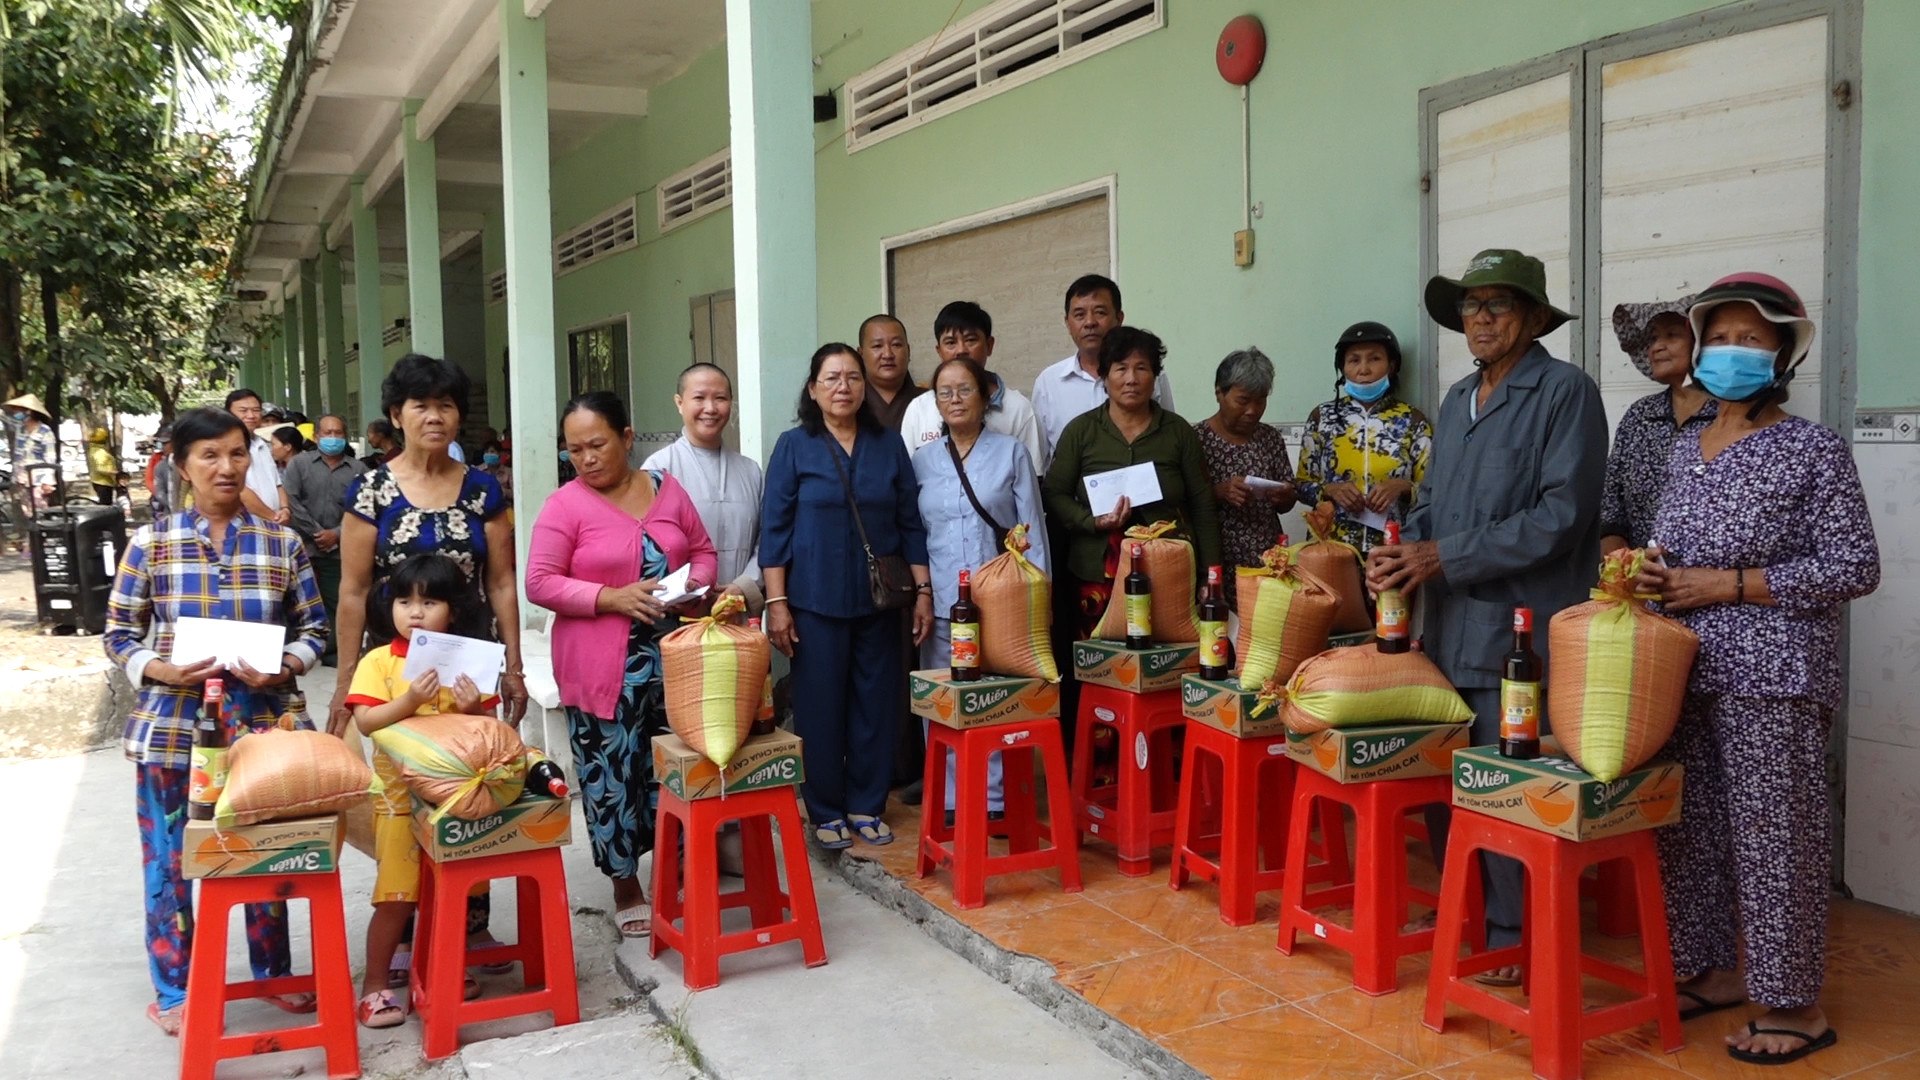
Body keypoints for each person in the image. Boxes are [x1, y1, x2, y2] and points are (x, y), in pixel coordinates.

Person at [1631, 273, 1877, 1066]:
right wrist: (1652, 572)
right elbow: (1676, 549)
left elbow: (1854, 565)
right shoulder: (1685, 445)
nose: (1732, 351)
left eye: (1753, 338)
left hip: (1773, 676)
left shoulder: (1812, 448)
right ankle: (1713, 970)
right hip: (1685, 669)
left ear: (1782, 356)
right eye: (1721, 337)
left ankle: (1794, 1004)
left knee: (1777, 839)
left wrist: (1730, 585)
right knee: (1691, 831)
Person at [1366, 248, 1608, 975]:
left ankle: (1513, 931)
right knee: (1448, 774)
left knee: (1504, 781)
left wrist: (1442, 556)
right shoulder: (1457, 398)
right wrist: (1400, 552)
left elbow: (1561, 517)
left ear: (1533, 318)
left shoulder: (1565, 391)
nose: (1480, 318)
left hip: (1515, 629)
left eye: (1497, 304)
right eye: (1471, 305)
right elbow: (1435, 500)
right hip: (1446, 625)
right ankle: (1464, 903)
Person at [101, 406, 328, 1036]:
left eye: (237, 453)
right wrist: (161, 668)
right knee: (170, 860)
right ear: (182, 467)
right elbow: (118, 634)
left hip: (263, 730)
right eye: (209, 456)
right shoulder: (152, 543)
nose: (226, 467)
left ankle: (272, 974)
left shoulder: (281, 544)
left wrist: (284, 666)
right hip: (173, 730)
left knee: (264, 852)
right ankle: (176, 988)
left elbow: (315, 630)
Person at [328, 354, 528, 951]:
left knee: (470, 782)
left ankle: (472, 926)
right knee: (403, 793)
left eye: (446, 405)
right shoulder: (370, 490)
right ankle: (411, 928)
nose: (435, 417)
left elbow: (501, 582)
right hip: (395, 669)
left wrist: (513, 666)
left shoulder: (484, 489)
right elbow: (353, 591)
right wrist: (344, 683)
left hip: (469, 665)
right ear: (397, 414)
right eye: (421, 406)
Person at [528, 392, 717, 937]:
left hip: (673, 658)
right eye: (574, 450)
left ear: (627, 438)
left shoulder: (666, 489)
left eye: (598, 445)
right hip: (601, 668)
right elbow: (539, 581)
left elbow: (703, 551)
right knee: (611, 774)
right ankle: (625, 883)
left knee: (673, 767)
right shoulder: (565, 506)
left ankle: (673, 870)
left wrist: (693, 585)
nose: (586, 459)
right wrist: (610, 597)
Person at [762, 344, 931, 849]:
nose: (844, 387)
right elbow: (775, 530)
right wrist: (777, 603)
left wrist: (923, 591)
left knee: (876, 705)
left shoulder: (888, 445)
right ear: (813, 389)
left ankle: (867, 803)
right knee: (819, 707)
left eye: (853, 377)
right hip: (814, 602)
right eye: (832, 378)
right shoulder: (795, 446)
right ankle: (825, 809)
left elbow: (910, 523)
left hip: (880, 601)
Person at [346, 553, 498, 1027]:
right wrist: (410, 699)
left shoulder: (469, 660)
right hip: (398, 803)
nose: (414, 612)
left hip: (455, 803)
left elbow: (489, 730)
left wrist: (474, 709)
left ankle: (444, 968)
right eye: (404, 601)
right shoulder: (379, 661)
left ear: (453, 610)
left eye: (429, 602)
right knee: (396, 898)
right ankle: (374, 986)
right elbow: (367, 722)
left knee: (449, 892)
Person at [912, 356, 1048, 818]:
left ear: (985, 395)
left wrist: (1038, 599)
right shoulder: (922, 461)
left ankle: (994, 800)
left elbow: (1032, 530)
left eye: (964, 389)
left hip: (1002, 602)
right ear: (935, 402)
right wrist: (921, 593)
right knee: (945, 698)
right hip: (943, 600)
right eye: (945, 392)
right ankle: (950, 799)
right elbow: (915, 533)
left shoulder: (1011, 453)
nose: (955, 400)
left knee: (996, 698)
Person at [1045, 326, 1221, 635]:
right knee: (1101, 651)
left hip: (1169, 565)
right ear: (1104, 375)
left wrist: (1211, 574)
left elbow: (1202, 504)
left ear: (1155, 377)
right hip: (1098, 569)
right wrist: (1091, 521)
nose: (1131, 379)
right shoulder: (1081, 432)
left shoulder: (1178, 432)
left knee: (1168, 649)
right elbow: (1054, 493)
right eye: (1121, 368)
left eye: (1142, 368)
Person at [1295, 322, 1433, 553]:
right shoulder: (1322, 417)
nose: (1364, 369)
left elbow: (1433, 491)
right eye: (1354, 360)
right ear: (1343, 368)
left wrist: (1404, 487)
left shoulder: (1413, 420)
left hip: (1394, 549)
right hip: (1330, 550)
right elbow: (1300, 485)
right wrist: (1329, 490)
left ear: (1392, 365)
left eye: (1375, 359)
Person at [642, 363, 765, 608]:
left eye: (720, 398)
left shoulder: (751, 471)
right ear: (679, 403)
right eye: (699, 398)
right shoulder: (658, 469)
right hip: (678, 611)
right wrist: (677, 593)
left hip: (736, 609)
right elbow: (645, 548)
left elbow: (766, 541)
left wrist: (744, 585)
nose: (710, 408)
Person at [1603, 296, 1714, 553]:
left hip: (1708, 574)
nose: (1656, 347)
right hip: (1640, 572)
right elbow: (1611, 500)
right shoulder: (1640, 415)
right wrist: (1621, 560)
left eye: (1672, 335)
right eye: (1653, 338)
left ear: (1702, 343)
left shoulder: (1731, 415)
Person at [1031, 275, 1175, 463]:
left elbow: (1168, 436)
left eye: (1100, 312)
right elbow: (1040, 459)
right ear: (1067, 322)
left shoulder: (1148, 375)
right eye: (1079, 315)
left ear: (1119, 318)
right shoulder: (1049, 381)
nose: (1090, 322)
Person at [1197, 348, 1297, 607]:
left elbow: (1288, 502)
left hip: (1266, 560)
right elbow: (1185, 501)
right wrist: (1220, 492)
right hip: (1217, 560)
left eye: (1261, 401)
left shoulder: (1270, 438)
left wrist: (1285, 496)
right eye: (1243, 400)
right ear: (1219, 393)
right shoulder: (1196, 439)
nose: (1252, 410)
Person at [897, 302, 1044, 470]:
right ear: (939, 351)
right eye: (951, 342)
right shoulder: (919, 408)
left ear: (989, 345)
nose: (961, 350)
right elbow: (906, 474)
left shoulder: (1018, 408)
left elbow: (1033, 474)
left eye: (970, 340)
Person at [283, 414, 369, 666]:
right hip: (303, 547)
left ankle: (333, 651)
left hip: (340, 549)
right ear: (316, 436)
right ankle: (293, 651)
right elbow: (291, 500)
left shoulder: (358, 470)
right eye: (327, 433)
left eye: (338, 433)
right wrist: (317, 532)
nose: (333, 438)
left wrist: (337, 533)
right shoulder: (299, 464)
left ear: (345, 437)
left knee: (338, 600)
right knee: (296, 600)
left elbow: (362, 508)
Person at [224, 389, 289, 525]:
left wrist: (285, 509)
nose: (251, 415)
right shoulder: (226, 446)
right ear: (228, 414)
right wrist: (272, 516)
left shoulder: (263, 444)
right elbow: (241, 490)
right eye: (243, 410)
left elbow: (277, 483)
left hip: (273, 523)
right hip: (246, 524)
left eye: (256, 410)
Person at [858, 314, 925, 432]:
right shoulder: (851, 402)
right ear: (860, 354)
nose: (888, 354)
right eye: (877, 346)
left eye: (896, 345)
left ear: (908, 351)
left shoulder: (930, 401)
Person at [5, 392, 58, 516]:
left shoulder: (45, 431)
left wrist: (48, 481)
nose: (14, 413)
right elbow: (5, 419)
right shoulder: (20, 428)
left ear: (28, 412)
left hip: (38, 480)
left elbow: (50, 458)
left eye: (17, 410)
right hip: (21, 479)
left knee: (39, 512)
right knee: (26, 513)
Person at [477, 438, 514, 508]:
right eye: (486, 452)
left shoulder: (508, 472)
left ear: (500, 453)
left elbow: (516, 494)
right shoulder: (478, 471)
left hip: (504, 509)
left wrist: (502, 491)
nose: (489, 454)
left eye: (492, 452)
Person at [88, 427, 120, 505]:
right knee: (105, 506)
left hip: (99, 481)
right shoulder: (99, 452)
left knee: (105, 504)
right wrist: (113, 472)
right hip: (103, 483)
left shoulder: (93, 449)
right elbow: (99, 468)